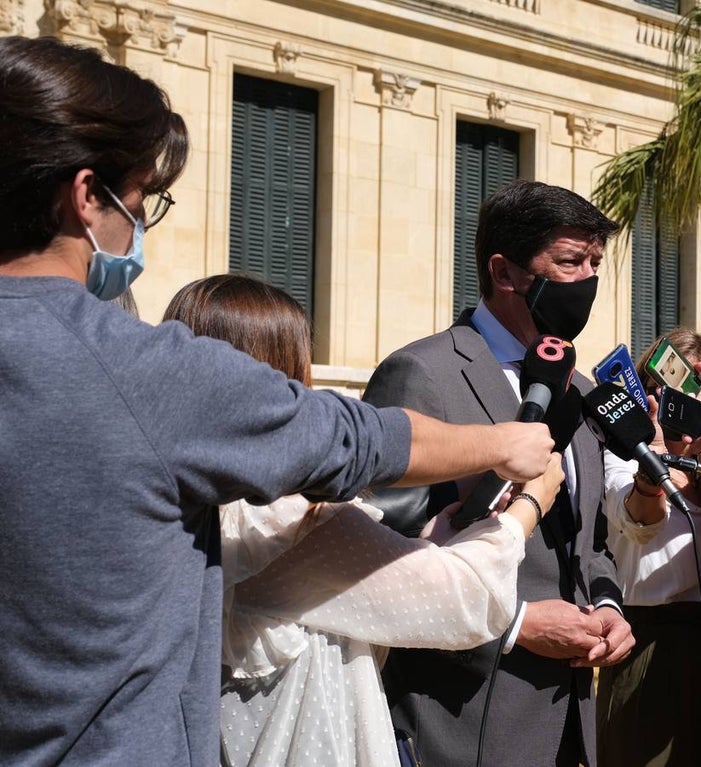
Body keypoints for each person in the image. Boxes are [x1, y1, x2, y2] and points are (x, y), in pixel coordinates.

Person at [0, 36, 552, 767]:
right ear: (84, 196)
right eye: (139, 203)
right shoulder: (146, 374)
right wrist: (514, 464)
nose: (137, 228)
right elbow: (359, 442)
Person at [155, 274, 565, 767]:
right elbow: (462, 599)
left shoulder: (194, 499)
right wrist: (529, 506)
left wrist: (432, 544)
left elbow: (346, 602)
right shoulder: (281, 520)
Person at [363, 179, 635, 767]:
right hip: (460, 722)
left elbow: (590, 544)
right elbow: (378, 554)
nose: (587, 280)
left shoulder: (583, 391)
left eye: (595, 263)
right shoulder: (422, 373)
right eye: (568, 262)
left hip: (571, 726)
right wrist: (515, 623)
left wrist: (609, 610)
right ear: (504, 272)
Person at [596, 328, 701, 767]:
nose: (670, 403)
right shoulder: (623, 455)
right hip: (653, 649)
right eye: (657, 389)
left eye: (689, 389)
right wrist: (652, 461)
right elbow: (636, 521)